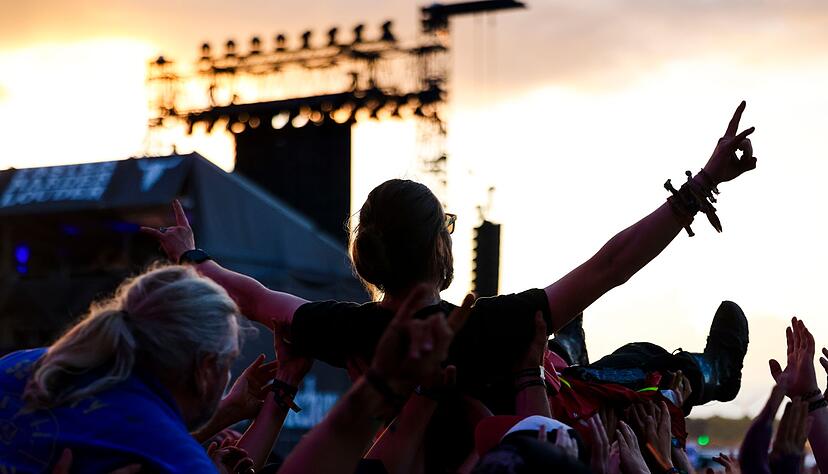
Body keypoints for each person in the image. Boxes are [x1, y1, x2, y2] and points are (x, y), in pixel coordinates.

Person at [143, 101, 757, 414]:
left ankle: (572, 347)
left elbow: (252, 297)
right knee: (641, 365)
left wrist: (191, 257)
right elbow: (609, 265)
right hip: (530, 420)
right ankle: (714, 373)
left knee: (563, 329)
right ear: (441, 248)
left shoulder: (350, 329)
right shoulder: (491, 324)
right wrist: (703, 182)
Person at [0, 265, 252, 473]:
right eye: (228, 362)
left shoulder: (14, 365)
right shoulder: (178, 461)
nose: (227, 376)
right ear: (205, 369)